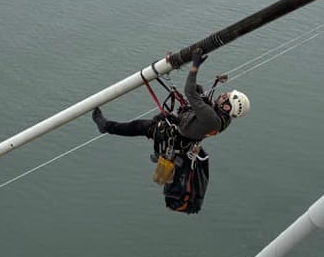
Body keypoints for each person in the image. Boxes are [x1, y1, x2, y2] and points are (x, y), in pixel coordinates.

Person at [92, 49, 249, 214]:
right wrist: (199, 91)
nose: (223, 95)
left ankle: (106, 127)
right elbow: (195, 91)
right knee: (159, 117)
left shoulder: (212, 118)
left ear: (227, 106)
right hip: (182, 134)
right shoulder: (221, 119)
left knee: (141, 127)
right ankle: (156, 151)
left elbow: (189, 90)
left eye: (226, 96)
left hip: (175, 136)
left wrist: (195, 65)